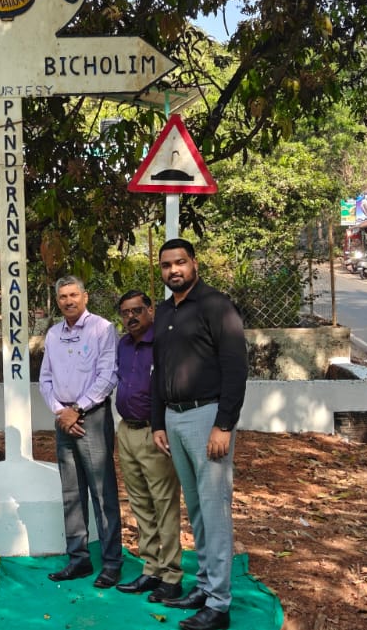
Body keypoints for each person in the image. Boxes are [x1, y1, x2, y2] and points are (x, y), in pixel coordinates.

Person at [151, 239, 248, 630]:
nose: (173, 270)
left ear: (194, 263)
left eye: (180, 262)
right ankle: (205, 587)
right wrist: (158, 422)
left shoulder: (216, 305)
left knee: (214, 511)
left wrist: (224, 424)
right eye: (166, 265)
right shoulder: (163, 312)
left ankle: (219, 605)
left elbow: (236, 368)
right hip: (173, 419)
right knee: (196, 509)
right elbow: (159, 370)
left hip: (208, 418)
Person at [38, 275, 123, 588]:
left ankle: (112, 563)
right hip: (64, 419)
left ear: (85, 297)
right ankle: (79, 559)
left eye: (74, 295)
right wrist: (61, 411)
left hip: (92, 418)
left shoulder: (102, 329)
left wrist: (78, 409)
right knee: (71, 492)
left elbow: (108, 375)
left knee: (102, 492)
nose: (68, 301)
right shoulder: (53, 334)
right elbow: (45, 379)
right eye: (63, 296)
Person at [113, 290, 186, 604]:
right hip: (126, 431)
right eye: (125, 312)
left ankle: (171, 576)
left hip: (154, 432)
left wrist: (163, 427)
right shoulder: (123, 345)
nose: (131, 317)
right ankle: (151, 568)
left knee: (163, 503)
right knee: (140, 503)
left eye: (137, 310)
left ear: (150, 310)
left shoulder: (164, 343)